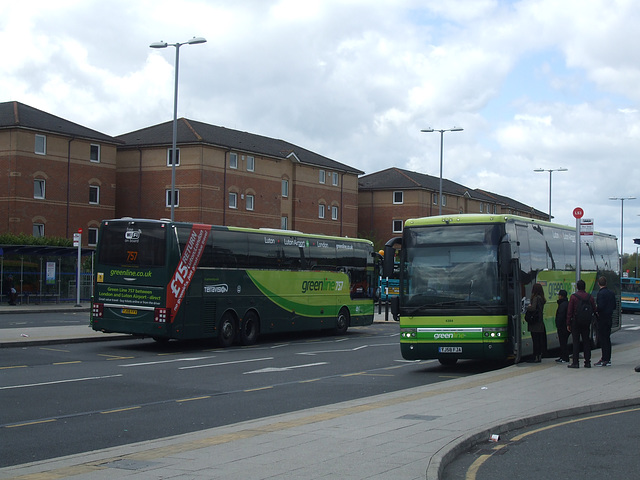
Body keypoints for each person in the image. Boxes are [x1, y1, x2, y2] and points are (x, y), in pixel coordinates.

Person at [567, 279, 596, 369]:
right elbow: (594, 308)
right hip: (586, 322)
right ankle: (587, 362)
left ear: (577, 287)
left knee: (576, 342)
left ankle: (575, 362)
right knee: (586, 341)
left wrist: (568, 323)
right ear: (584, 287)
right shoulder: (589, 297)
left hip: (576, 322)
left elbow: (570, 311)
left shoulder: (573, 297)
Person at [594, 276, 616, 367]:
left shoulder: (600, 294)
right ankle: (608, 358)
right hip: (609, 318)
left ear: (599, 284)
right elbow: (614, 306)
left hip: (602, 318)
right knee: (607, 338)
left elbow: (600, 307)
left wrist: (596, 311)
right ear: (606, 283)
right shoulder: (611, 293)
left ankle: (604, 358)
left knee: (603, 339)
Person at [526, 283, 546, 363]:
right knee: (539, 339)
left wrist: (527, 307)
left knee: (535, 340)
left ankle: (536, 357)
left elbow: (533, 308)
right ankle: (539, 356)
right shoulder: (541, 298)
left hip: (535, 323)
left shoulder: (535, 298)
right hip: (539, 321)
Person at [554, 289, 570, 363]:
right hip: (565, 326)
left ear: (561, 296)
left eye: (559, 295)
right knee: (564, 342)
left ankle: (564, 357)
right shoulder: (567, 303)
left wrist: (558, 324)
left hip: (562, 327)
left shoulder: (562, 305)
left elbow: (560, 316)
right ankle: (563, 356)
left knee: (563, 342)